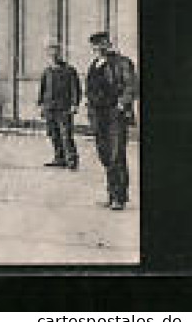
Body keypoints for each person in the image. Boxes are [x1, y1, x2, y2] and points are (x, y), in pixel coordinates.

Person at [84, 31, 138, 210]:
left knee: (116, 154)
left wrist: (123, 103)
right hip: (98, 114)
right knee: (104, 153)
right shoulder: (95, 64)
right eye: (94, 45)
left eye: (101, 44)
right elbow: (90, 86)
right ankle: (111, 193)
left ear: (108, 44)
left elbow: (131, 85)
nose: (97, 48)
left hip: (115, 113)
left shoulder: (122, 63)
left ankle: (119, 197)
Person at [37, 40, 83, 170]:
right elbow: (42, 89)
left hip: (64, 108)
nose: (53, 56)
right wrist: (41, 105)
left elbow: (75, 89)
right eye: (50, 53)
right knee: (53, 134)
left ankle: (71, 160)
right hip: (49, 107)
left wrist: (74, 105)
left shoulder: (69, 70)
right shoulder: (47, 71)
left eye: (55, 53)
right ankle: (59, 158)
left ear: (60, 54)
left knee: (66, 134)